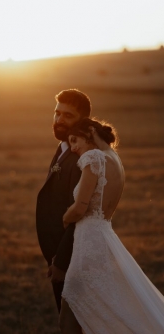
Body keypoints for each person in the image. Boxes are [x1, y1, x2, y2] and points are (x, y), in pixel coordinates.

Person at [59, 117, 164, 334]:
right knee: (105, 302)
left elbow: (80, 207)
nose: (75, 148)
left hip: (89, 239)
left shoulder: (93, 157)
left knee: (70, 304)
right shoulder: (114, 158)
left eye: (75, 140)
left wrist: (65, 218)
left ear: (90, 131)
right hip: (103, 234)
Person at [36, 89, 91, 328]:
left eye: (68, 115)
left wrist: (61, 261)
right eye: (57, 113)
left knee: (74, 324)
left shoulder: (81, 157)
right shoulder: (63, 148)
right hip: (58, 253)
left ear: (83, 120)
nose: (59, 120)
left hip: (70, 257)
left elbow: (79, 213)